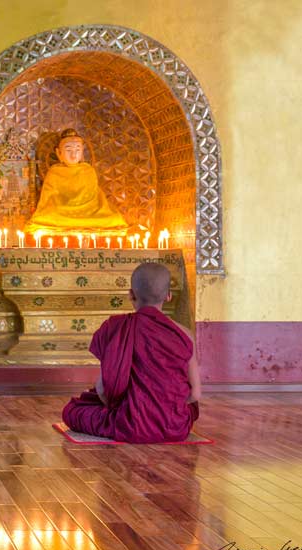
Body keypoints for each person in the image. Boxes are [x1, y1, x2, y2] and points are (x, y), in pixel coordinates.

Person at [62, 262, 201, 443]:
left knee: (72, 411)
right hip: (175, 427)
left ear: (131, 294)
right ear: (168, 296)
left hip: (128, 424)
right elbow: (195, 395)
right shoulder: (184, 334)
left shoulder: (115, 327)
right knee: (191, 409)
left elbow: (104, 391)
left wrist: (130, 409)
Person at [25, 129, 129, 237]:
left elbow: (94, 198)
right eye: (68, 150)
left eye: (77, 150)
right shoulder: (54, 172)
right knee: (44, 217)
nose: (73, 155)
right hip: (62, 213)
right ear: (59, 153)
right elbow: (48, 200)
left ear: (82, 152)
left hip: (88, 212)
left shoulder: (88, 170)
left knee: (114, 219)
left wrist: (84, 208)